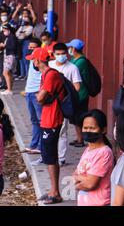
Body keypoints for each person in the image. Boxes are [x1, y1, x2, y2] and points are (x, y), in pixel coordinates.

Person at [26, 47, 66, 204]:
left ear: (37, 61)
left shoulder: (50, 75)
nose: (32, 63)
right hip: (48, 118)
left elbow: (40, 98)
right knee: (48, 156)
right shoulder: (46, 75)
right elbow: (40, 97)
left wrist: (40, 95)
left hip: (53, 119)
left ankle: (55, 192)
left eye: (33, 60)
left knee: (50, 157)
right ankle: (52, 190)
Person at [49, 43, 82, 166]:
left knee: (62, 130)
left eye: (63, 54)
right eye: (58, 54)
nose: (61, 56)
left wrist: (67, 97)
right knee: (49, 130)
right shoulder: (50, 65)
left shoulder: (72, 68)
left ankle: (61, 158)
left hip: (63, 105)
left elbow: (77, 86)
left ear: (67, 54)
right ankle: (49, 155)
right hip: (49, 104)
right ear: (53, 55)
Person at [74, 110, 114, 206]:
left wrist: (79, 180)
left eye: (92, 128)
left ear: (103, 130)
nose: (87, 131)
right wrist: (83, 179)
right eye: (85, 128)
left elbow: (90, 184)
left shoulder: (104, 153)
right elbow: (75, 175)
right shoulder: (88, 149)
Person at [67, 39, 90, 147]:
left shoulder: (81, 61)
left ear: (74, 49)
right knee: (75, 118)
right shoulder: (74, 59)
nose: (69, 50)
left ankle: (81, 139)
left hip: (81, 94)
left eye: (70, 47)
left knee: (79, 117)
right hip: (75, 93)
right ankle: (78, 137)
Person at [23, 38, 42, 154]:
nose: (30, 49)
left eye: (33, 47)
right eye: (29, 47)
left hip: (36, 93)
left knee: (40, 121)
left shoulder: (39, 62)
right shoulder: (31, 59)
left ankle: (40, 146)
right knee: (34, 120)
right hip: (29, 92)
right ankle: (34, 144)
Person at [0, 24, 17, 95]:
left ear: (9, 30)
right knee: (8, 73)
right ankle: (9, 88)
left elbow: (13, 47)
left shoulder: (12, 37)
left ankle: (9, 89)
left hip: (10, 56)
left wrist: (4, 45)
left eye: (5, 30)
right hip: (8, 56)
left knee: (5, 73)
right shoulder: (8, 37)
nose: (4, 32)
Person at [15, 10, 33, 80]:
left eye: (26, 18)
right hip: (20, 43)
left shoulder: (30, 27)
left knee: (26, 59)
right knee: (21, 59)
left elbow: (25, 35)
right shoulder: (22, 27)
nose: (24, 19)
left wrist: (21, 34)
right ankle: (22, 74)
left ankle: (27, 74)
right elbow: (17, 34)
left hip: (26, 42)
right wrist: (21, 32)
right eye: (24, 18)